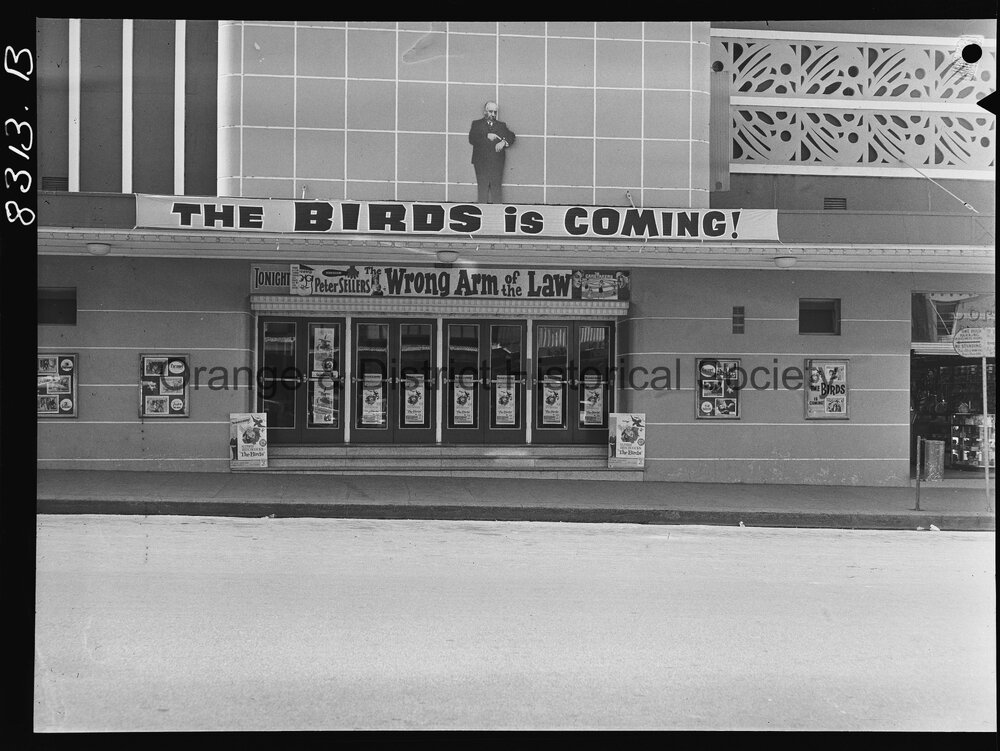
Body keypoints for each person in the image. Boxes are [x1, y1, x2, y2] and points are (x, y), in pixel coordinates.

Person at [468, 100, 515, 204]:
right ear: (485, 111)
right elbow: (472, 139)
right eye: (490, 111)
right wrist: (486, 136)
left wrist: (504, 142)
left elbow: (511, 136)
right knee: (482, 188)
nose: (493, 114)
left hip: (496, 162)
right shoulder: (476, 124)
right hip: (481, 162)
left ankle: (496, 215)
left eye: (495, 112)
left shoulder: (501, 125)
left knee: (496, 189)